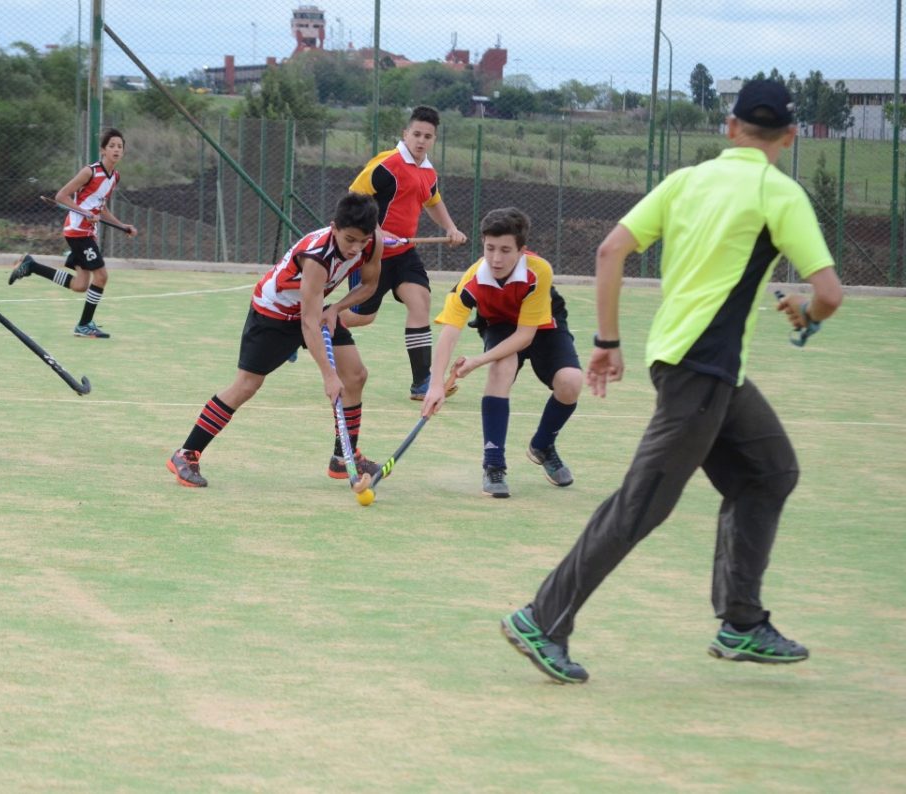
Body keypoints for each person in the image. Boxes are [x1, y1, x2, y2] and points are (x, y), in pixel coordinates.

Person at [501, 80, 843, 684]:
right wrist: (806, 313)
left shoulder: (686, 180)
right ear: (790, 138)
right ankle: (542, 618)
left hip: (694, 366)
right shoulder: (780, 192)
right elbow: (830, 294)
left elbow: (610, 251)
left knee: (770, 471)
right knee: (642, 504)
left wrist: (607, 341)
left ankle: (741, 621)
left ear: (730, 128)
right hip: (701, 372)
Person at [167, 192, 385, 488]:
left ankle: (343, 458)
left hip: (313, 307)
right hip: (274, 313)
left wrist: (336, 308)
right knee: (247, 385)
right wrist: (328, 376)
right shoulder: (317, 257)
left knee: (356, 375)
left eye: (362, 240)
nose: (356, 248)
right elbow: (308, 323)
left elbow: (369, 285)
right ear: (334, 227)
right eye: (349, 240)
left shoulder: (373, 242)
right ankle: (186, 454)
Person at [421, 208, 583, 498]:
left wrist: (477, 361)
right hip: (498, 323)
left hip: (542, 324)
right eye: (490, 248)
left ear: (521, 250)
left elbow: (525, 335)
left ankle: (543, 445)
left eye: (506, 250)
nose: (496, 258)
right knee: (501, 367)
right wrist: (435, 385)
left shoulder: (539, 271)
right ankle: (493, 464)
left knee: (571, 382)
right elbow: (449, 332)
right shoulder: (472, 280)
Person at [338, 105, 468, 400]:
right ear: (405, 133)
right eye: (417, 134)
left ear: (434, 139)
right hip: (373, 254)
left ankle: (422, 383)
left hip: (405, 254)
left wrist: (450, 228)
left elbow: (432, 201)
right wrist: (375, 231)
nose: (421, 140)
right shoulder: (388, 164)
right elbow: (354, 196)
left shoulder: (428, 172)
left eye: (428, 136)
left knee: (420, 301)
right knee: (362, 317)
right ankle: (311, 324)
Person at [7, 128, 138, 338]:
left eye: (120, 147)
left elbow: (101, 207)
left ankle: (32, 266)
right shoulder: (90, 172)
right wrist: (85, 213)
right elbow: (61, 196)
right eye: (112, 146)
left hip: (88, 232)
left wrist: (122, 226)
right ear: (103, 150)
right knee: (101, 276)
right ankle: (84, 325)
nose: (116, 150)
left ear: (123, 152)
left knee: (80, 285)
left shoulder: (115, 177)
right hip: (78, 231)